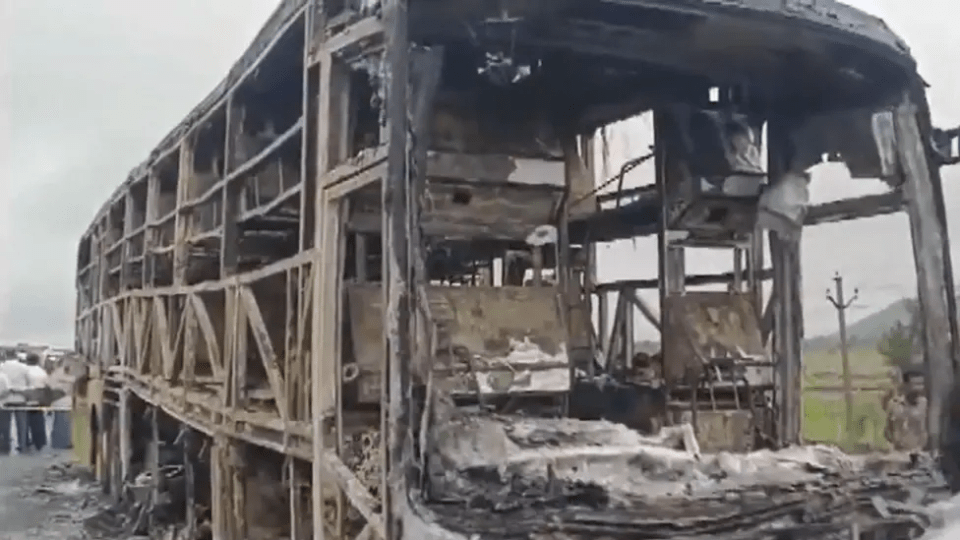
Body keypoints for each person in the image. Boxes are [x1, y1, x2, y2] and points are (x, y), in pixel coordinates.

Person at [0, 353, 32, 453]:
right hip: (20, 398)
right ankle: (22, 445)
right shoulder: (24, 367)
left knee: (5, 424)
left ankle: (5, 445)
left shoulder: (2, 367)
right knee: (22, 423)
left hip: (5, 399)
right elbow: (29, 383)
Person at [23, 352, 49, 452]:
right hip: (39, 399)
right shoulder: (42, 372)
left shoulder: (25, 371)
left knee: (24, 423)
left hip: (27, 399)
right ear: (37, 361)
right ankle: (40, 442)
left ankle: (25, 442)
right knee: (39, 422)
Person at [0, 370, 11, 454]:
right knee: (5, 427)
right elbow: (7, 391)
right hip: (3, 405)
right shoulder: (3, 376)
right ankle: (6, 446)